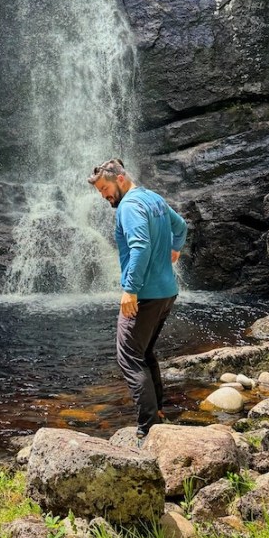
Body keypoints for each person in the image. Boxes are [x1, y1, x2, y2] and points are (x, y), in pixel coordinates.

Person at [88, 157, 187, 443]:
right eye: (99, 192)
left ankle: (146, 430)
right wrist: (175, 249)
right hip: (167, 292)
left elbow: (140, 245)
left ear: (120, 179)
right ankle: (158, 415)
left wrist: (130, 289)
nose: (104, 196)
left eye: (104, 189)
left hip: (144, 295)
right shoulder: (152, 198)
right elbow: (180, 226)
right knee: (143, 353)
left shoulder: (129, 206)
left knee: (129, 357)